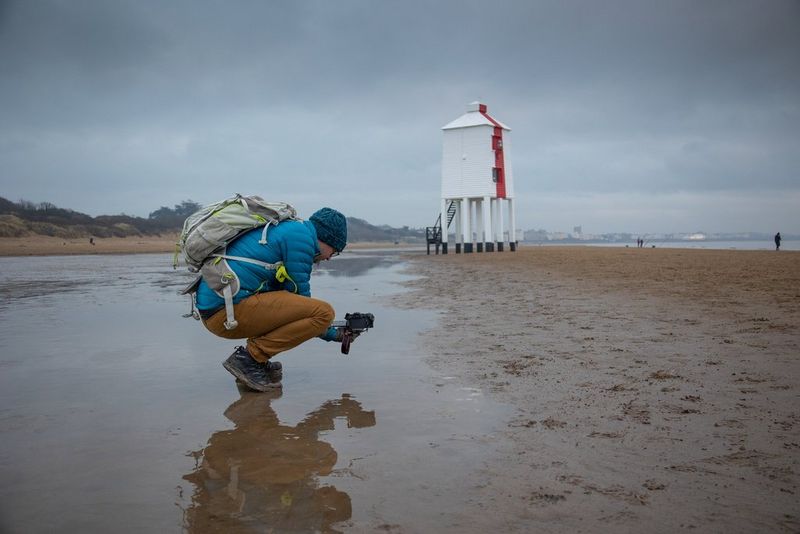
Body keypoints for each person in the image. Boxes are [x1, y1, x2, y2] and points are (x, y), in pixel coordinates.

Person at [195, 207, 351, 391]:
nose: (329, 259)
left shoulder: (290, 230)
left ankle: (254, 364)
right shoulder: (301, 238)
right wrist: (334, 334)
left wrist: (335, 332)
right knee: (323, 312)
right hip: (224, 314)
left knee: (299, 308)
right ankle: (249, 359)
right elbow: (300, 298)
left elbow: (285, 301)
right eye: (334, 252)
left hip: (219, 311)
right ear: (326, 239)